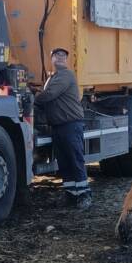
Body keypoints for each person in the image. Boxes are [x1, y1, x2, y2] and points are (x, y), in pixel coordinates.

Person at [34, 47, 92, 210]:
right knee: (65, 163)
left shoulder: (66, 75)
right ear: (51, 59)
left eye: (63, 56)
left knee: (75, 159)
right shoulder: (53, 77)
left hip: (70, 125)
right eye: (56, 56)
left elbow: (49, 95)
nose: (60, 58)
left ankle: (84, 196)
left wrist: (33, 99)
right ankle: (71, 195)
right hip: (59, 127)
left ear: (66, 61)